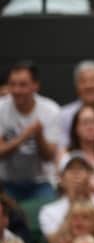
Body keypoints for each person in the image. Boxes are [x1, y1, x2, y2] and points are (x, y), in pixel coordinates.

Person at [0, 60, 60, 200]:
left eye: (22, 85)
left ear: (35, 86)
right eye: (12, 84)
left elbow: (49, 156)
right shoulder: (1, 108)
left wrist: (38, 135)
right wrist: (23, 136)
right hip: (7, 182)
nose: (16, 90)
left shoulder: (51, 110)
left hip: (40, 182)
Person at [38, 153, 94, 239]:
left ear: (90, 175)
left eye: (81, 168)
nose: (76, 172)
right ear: (61, 179)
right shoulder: (48, 211)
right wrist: (73, 201)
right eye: (70, 169)